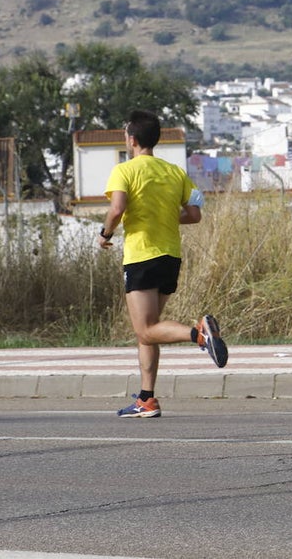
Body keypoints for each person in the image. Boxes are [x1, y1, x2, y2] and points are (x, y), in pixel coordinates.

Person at [98, 109, 228, 418]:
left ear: (131, 140)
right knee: (151, 330)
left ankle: (199, 333)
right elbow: (194, 215)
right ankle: (147, 399)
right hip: (171, 255)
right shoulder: (174, 172)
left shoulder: (124, 171)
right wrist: (166, 217)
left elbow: (117, 209)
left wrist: (105, 234)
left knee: (145, 329)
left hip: (142, 255)